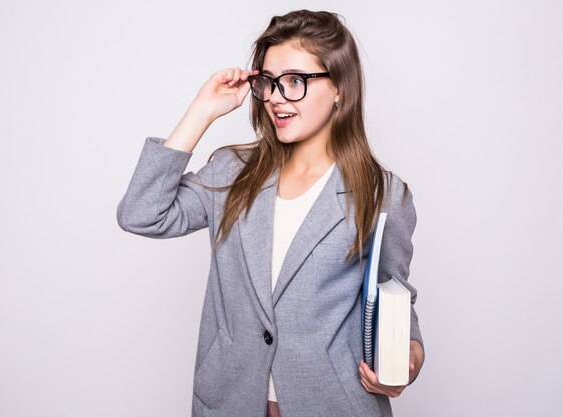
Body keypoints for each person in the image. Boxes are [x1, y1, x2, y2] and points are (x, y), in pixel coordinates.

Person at [117, 9, 424, 417]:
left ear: (340, 89)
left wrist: (410, 356)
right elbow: (141, 214)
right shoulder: (232, 173)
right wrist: (202, 112)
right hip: (229, 402)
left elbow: (395, 297)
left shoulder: (382, 195)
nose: (276, 97)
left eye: (295, 81)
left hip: (334, 404)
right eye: (268, 82)